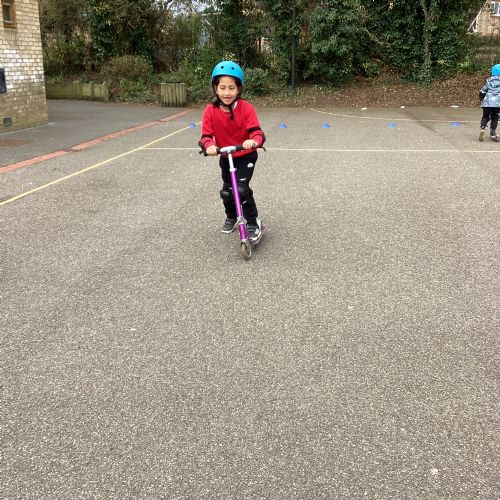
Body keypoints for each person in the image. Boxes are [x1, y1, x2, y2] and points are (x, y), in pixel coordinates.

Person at [199, 61, 266, 240]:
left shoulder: (246, 108)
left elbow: (257, 132)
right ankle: (232, 216)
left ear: (239, 89)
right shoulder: (210, 110)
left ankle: (252, 222)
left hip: (246, 155)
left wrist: (253, 141)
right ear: (215, 88)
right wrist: (209, 146)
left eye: (231, 88)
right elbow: (205, 136)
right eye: (222, 88)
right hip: (226, 156)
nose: (227, 93)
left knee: (241, 189)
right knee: (227, 191)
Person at [479, 63, 500, 142]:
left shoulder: (489, 80)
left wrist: (481, 98)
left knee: (485, 116)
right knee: (495, 116)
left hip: (487, 103)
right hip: (497, 103)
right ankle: (493, 132)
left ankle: (482, 128)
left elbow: (482, 91)